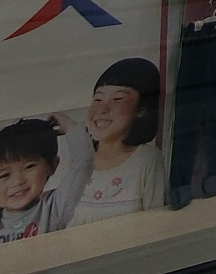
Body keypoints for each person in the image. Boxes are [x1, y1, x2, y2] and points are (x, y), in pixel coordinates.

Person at [0, 114, 93, 245]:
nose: (17, 182)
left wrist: (70, 127)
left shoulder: (53, 208)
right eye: (4, 175)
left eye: (29, 167)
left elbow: (83, 162)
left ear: (52, 166)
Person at [70, 58, 164, 223]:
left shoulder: (147, 160)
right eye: (98, 100)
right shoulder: (78, 161)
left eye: (117, 99)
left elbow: (157, 223)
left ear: (142, 108)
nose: (103, 109)